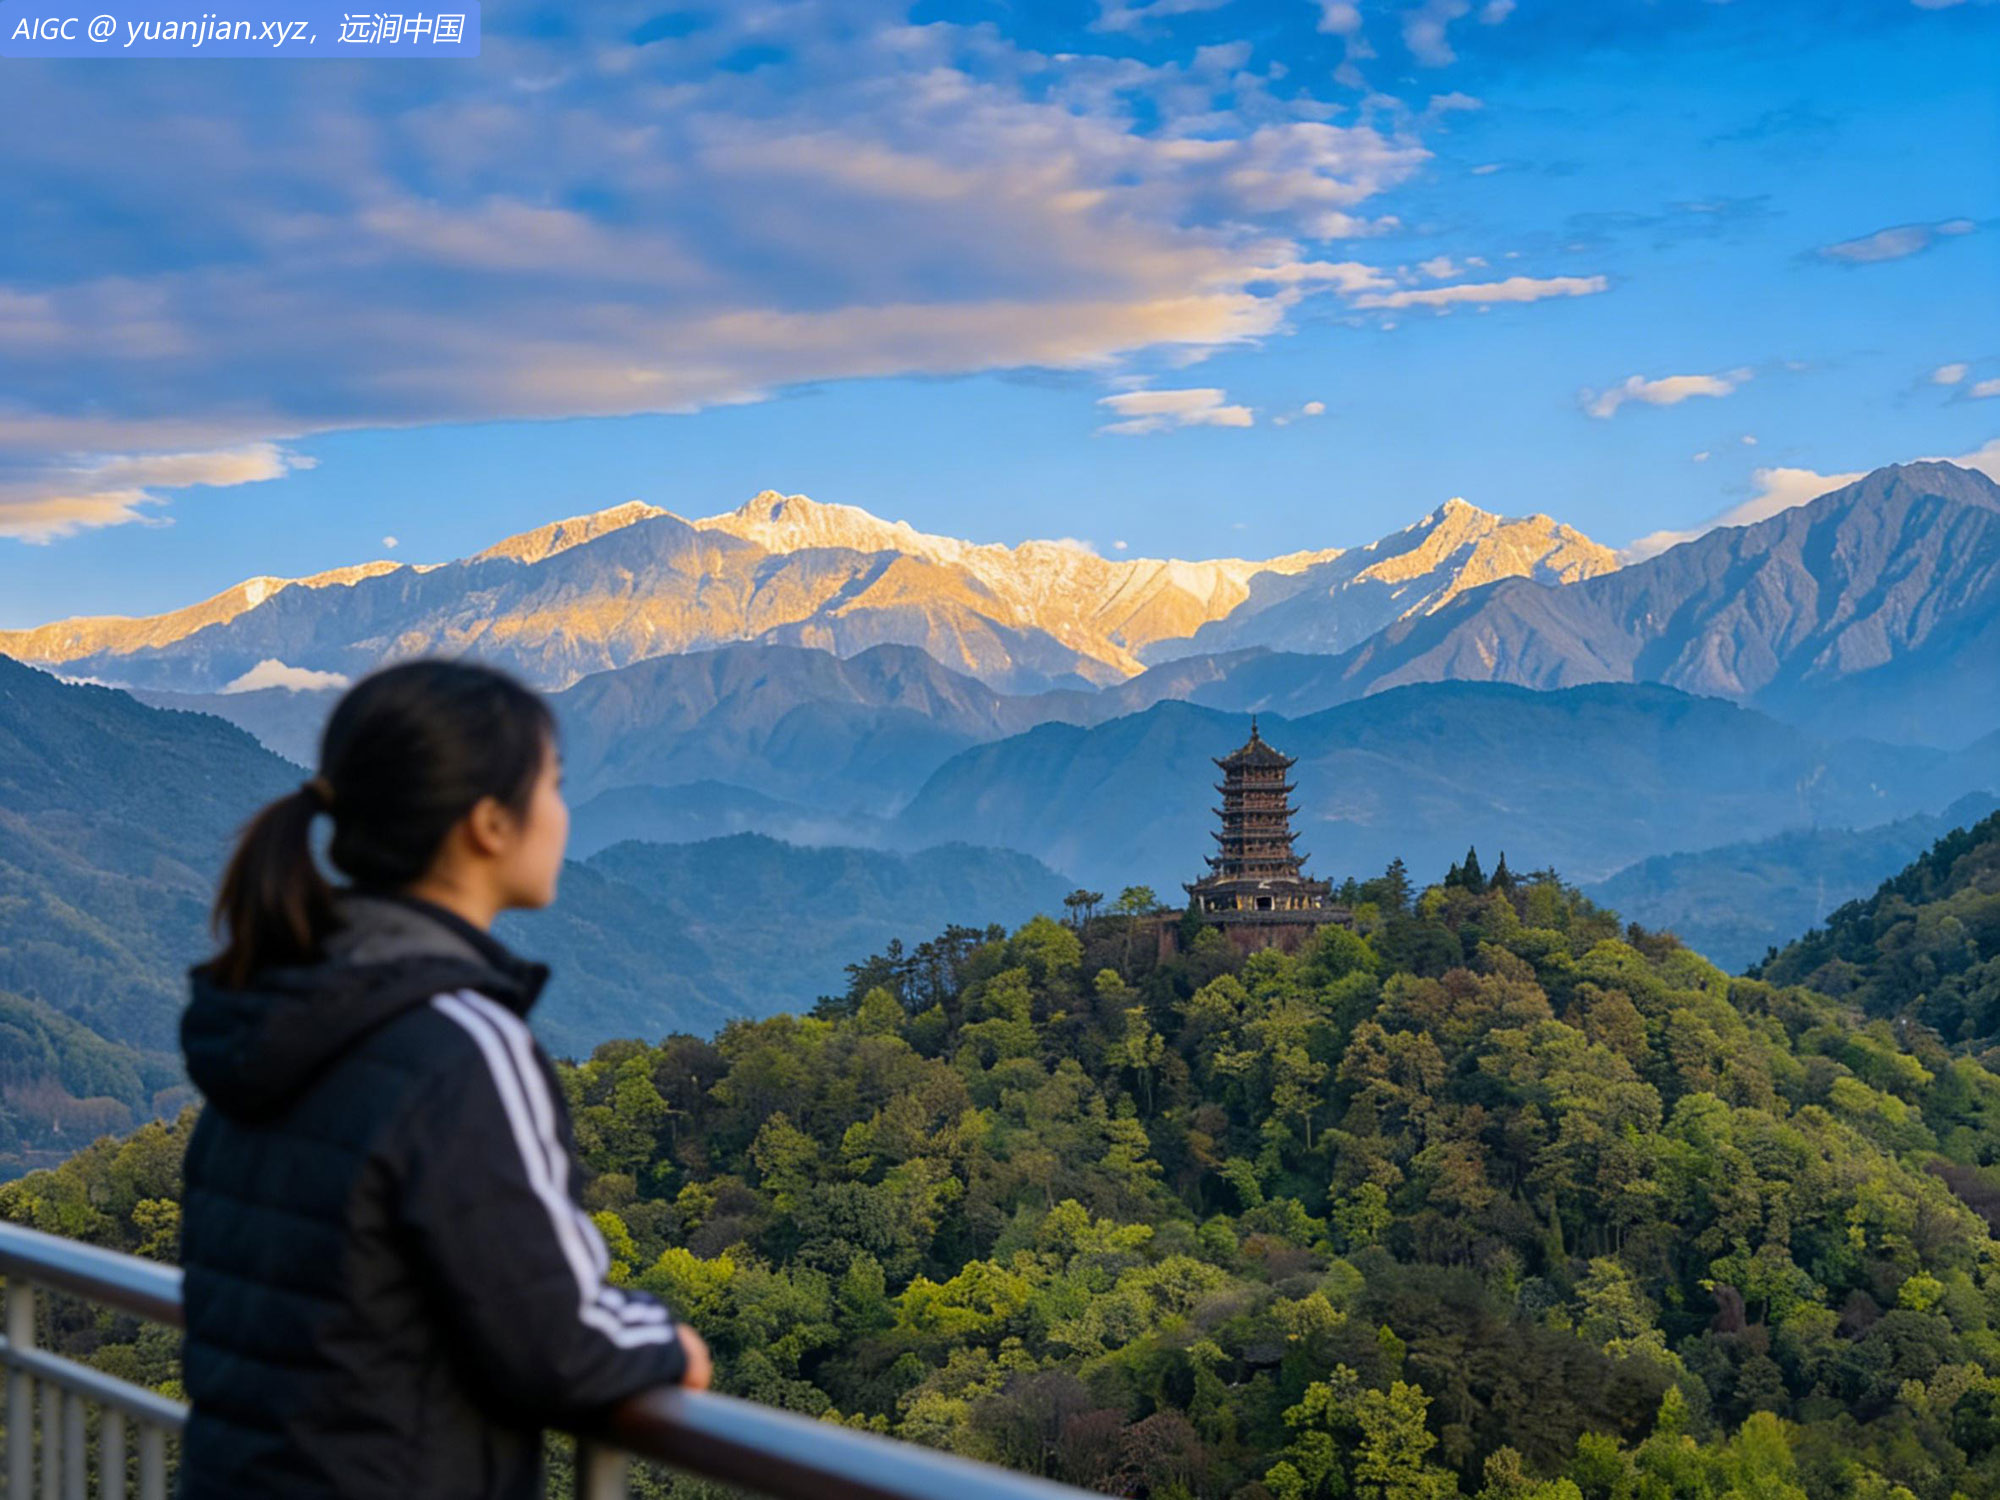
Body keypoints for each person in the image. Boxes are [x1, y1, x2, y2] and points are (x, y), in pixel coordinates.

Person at [178, 659, 710, 1499]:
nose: (563, 816)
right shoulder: (461, 1049)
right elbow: (561, 1340)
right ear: (489, 823)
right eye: (555, 786)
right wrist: (673, 1344)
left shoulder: (271, 1017)